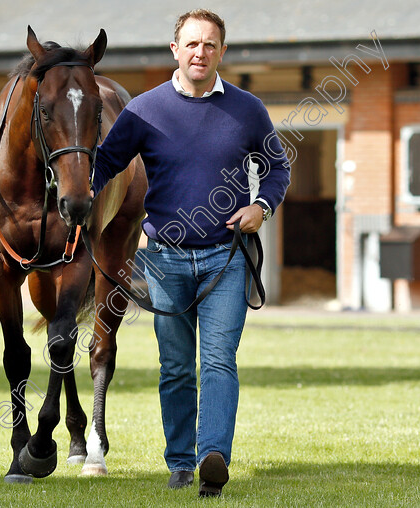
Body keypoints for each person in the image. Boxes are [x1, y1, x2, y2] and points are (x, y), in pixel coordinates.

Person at [91, 9, 290, 497]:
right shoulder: (144, 109)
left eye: (210, 44)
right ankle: (180, 461)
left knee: (219, 361)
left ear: (222, 51)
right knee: (177, 366)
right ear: (175, 50)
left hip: (226, 257)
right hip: (164, 259)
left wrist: (260, 205)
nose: (200, 52)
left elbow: (277, 167)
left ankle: (212, 458)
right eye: (192, 44)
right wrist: (76, 208)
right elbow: (103, 165)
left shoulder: (247, 109)